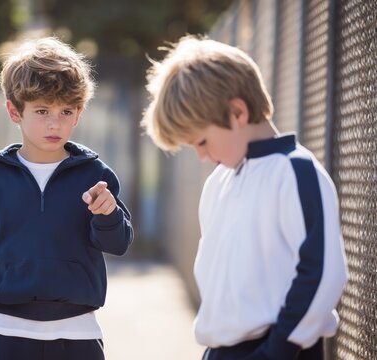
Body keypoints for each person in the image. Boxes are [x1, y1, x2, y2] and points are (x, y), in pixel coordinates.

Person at [141, 35, 348, 360]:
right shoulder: (218, 184)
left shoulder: (294, 171)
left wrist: (278, 349)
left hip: (279, 350)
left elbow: (322, 271)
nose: (201, 156)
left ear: (237, 112)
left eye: (202, 142)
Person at [0, 37, 133, 360]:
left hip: (79, 335)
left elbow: (118, 244)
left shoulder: (96, 176)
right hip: (5, 334)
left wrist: (108, 215)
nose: (54, 122)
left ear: (79, 114)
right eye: (42, 110)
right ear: (14, 111)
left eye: (66, 111)